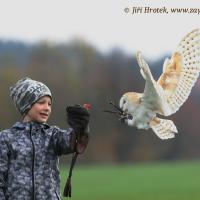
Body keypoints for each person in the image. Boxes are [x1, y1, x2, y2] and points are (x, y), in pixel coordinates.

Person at [0, 77, 90, 200]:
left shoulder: (52, 135)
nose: (47, 107)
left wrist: (81, 127)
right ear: (26, 105)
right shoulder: (6, 138)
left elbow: (72, 142)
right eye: (41, 102)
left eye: (49, 104)